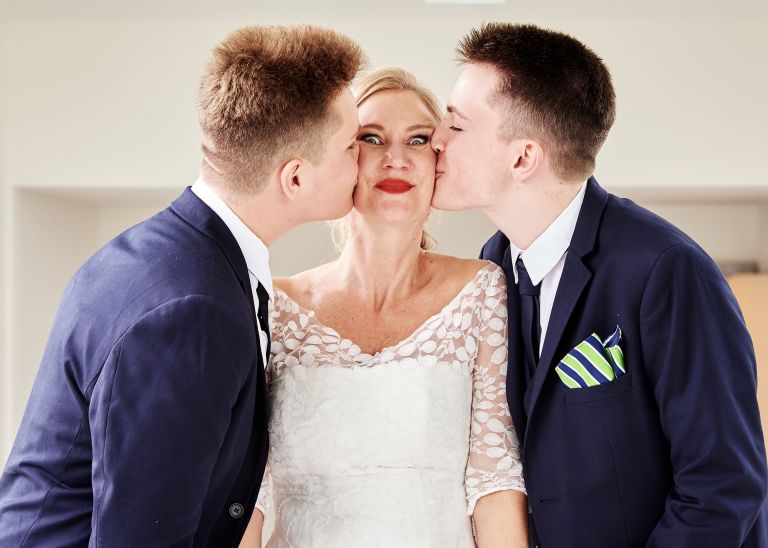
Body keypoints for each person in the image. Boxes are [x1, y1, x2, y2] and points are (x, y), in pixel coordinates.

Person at [0, 25, 364, 546]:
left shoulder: (151, 251)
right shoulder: (194, 311)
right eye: (351, 145)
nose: (364, 159)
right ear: (295, 178)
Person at [430, 22, 768, 548]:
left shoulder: (666, 269)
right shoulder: (492, 264)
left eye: (455, 125)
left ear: (523, 157)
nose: (435, 140)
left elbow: (723, 484)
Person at [240, 68, 528, 548]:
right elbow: (249, 490)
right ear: (342, 157)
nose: (396, 159)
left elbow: (495, 476)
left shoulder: (480, 291)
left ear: (438, 160)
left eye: (418, 140)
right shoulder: (276, 305)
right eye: (371, 138)